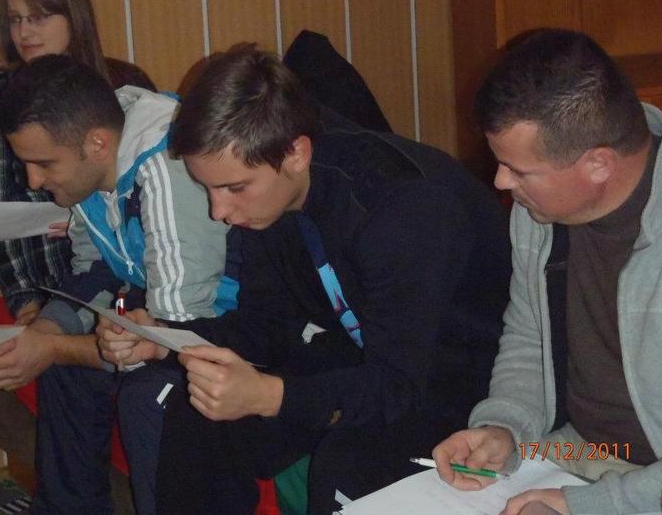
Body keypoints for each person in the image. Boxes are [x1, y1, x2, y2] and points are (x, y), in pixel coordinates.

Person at [97, 46, 511, 514]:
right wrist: (162, 338)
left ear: (296, 153)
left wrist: (270, 396)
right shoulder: (268, 201)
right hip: (360, 352)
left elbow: (398, 383)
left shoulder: (402, 209)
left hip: (462, 374)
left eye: (234, 187)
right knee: (196, 411)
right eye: (207, 188)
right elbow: (267, 324)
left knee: (346, 468)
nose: (219, 211)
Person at [432, 29, 662, 515]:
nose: (501, 181)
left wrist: (585, 504)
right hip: (577, 449)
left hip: (660, 481)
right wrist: (505, 427)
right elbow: (529, 333)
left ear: (598, 164)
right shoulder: (539, 212)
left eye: (519, 170)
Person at [0, 54, 235, 515]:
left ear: (97, 143)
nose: (34, 181)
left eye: (43, 163)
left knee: (145, 397)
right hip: (165, 309)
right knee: (60, 366)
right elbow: (94, 270)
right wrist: (41, 333)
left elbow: (180, 328)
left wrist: (51, 348)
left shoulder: (165, 167)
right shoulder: (91, 170)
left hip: (227, 319)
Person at [0, 0, 154, 324]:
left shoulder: (126, 85)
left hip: (132, 279)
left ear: (73, 17)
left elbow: (155, 194)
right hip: (53, 283)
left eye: (38, 17)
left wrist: (96, 220)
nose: (24, 32)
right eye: (15, 19)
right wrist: (29, 308)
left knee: (123, 332)